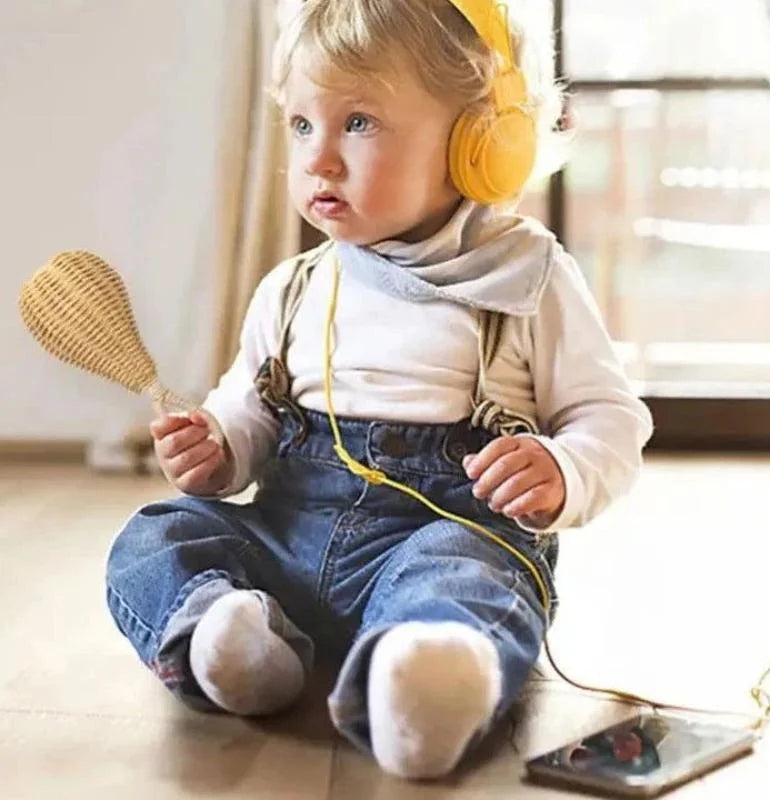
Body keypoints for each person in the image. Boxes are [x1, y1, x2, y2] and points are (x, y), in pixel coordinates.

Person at [105, 0, 653, 780]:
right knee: (156, 534)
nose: (319, 160)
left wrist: (563, 470)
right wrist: (220, 447)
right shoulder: (293, 286)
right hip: (288, 541)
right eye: (302, 125)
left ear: (478, 142)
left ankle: (423, 673)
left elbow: (609, 418)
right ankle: (234, 640)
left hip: (441, 539)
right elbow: (250, 405)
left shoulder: (528, 280)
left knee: (474, 578)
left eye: (358, 123)